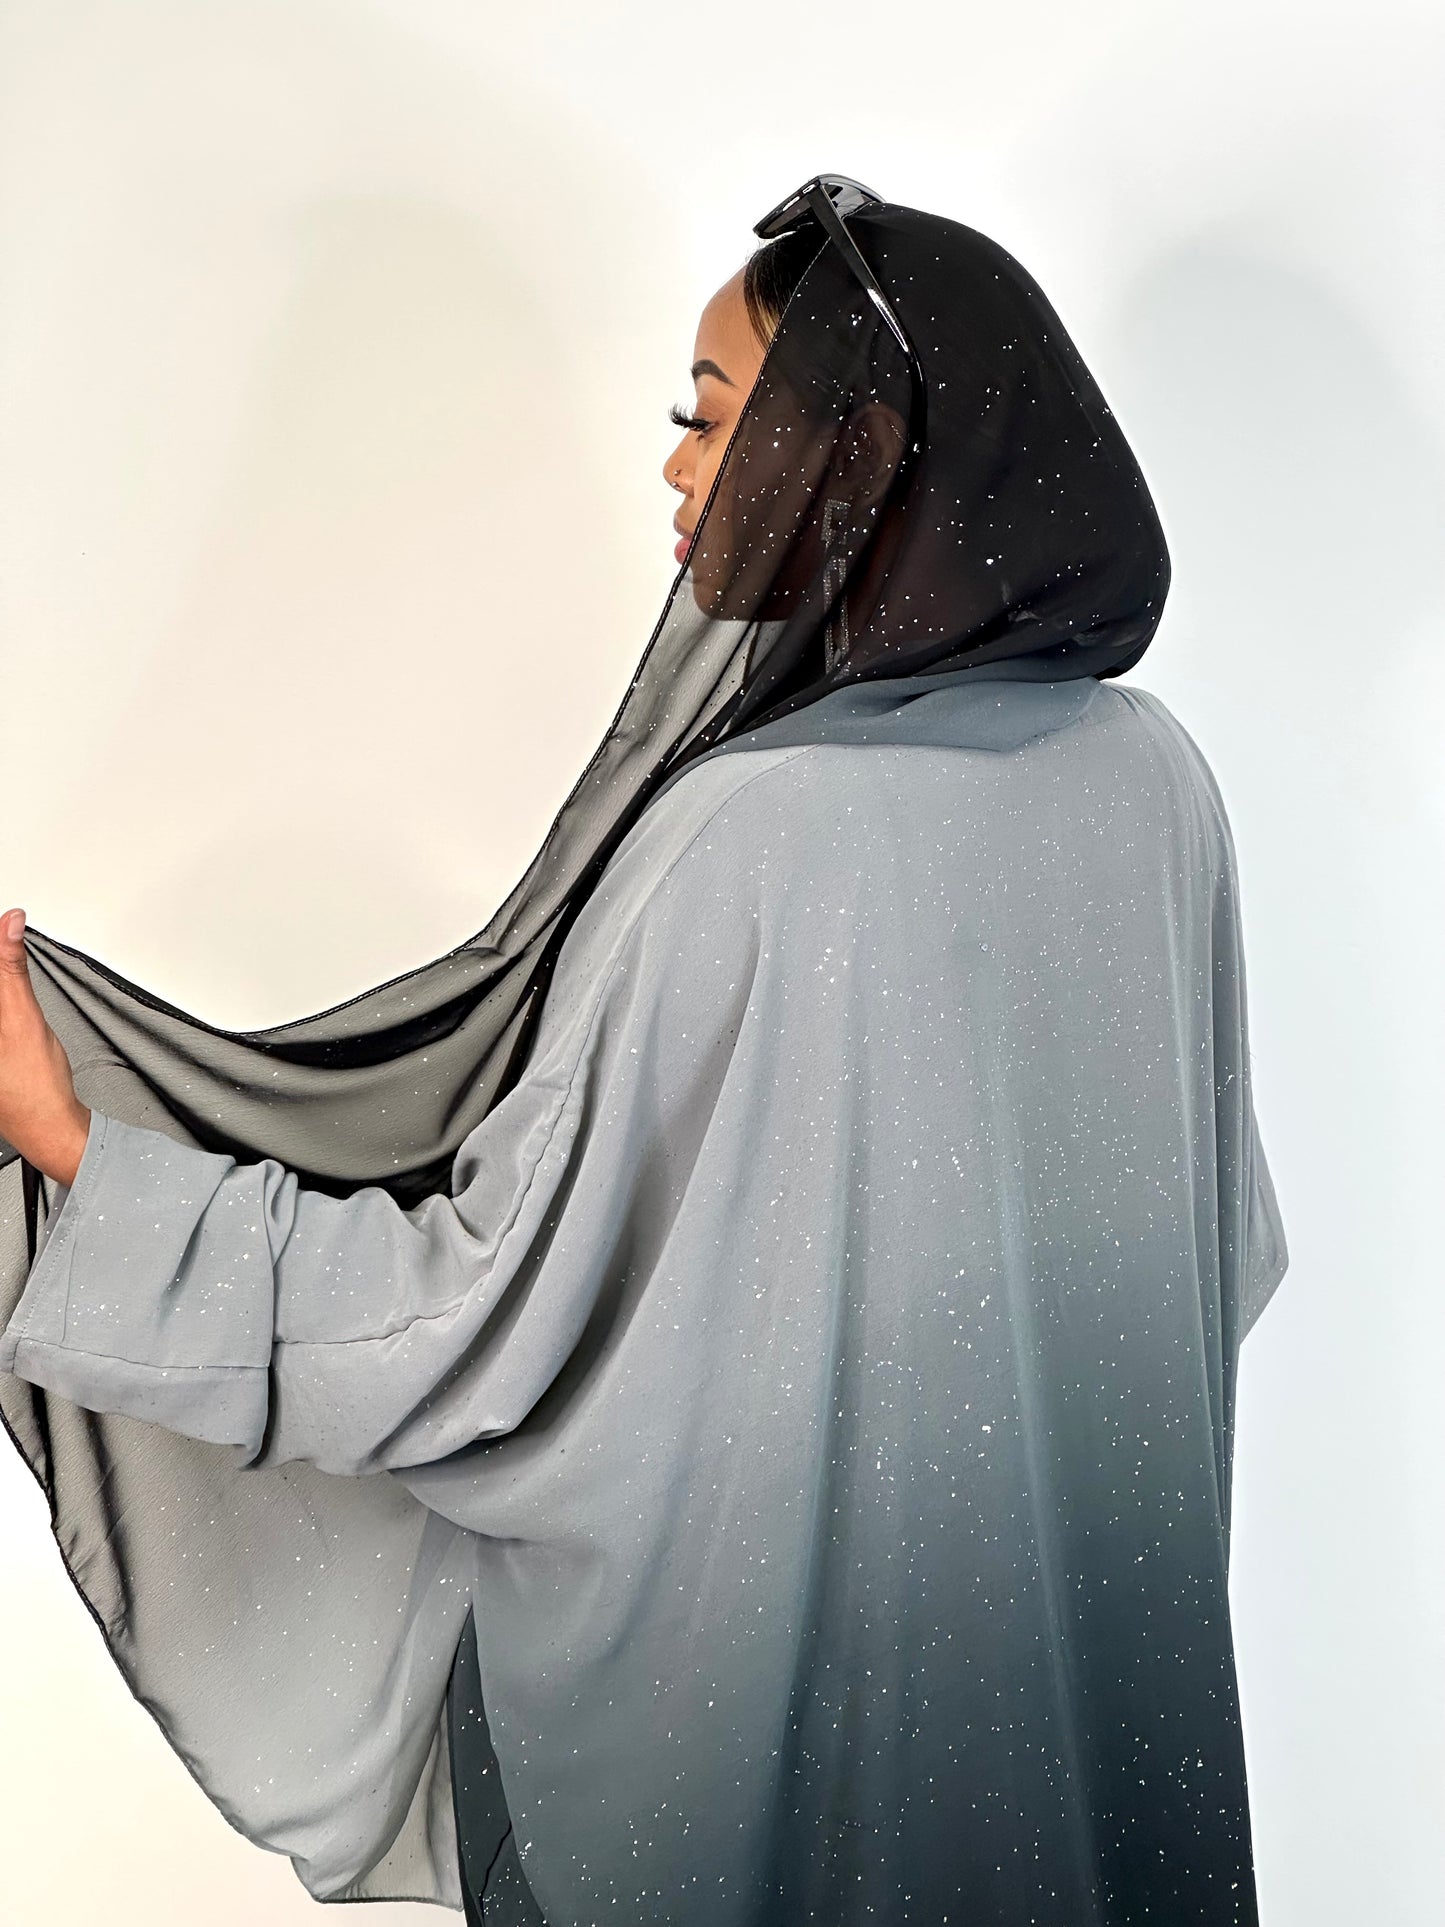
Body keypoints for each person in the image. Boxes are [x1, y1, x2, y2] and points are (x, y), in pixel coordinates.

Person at [0, 178, 1289, 1926]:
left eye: (713, 415)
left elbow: (470, 1318)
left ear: (858, 453)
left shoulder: (754, 836)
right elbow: (1202, 1264)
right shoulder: (1152, 782)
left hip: (768, 1765)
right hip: (1070, 1737)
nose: (678, 471)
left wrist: (84, 1152)